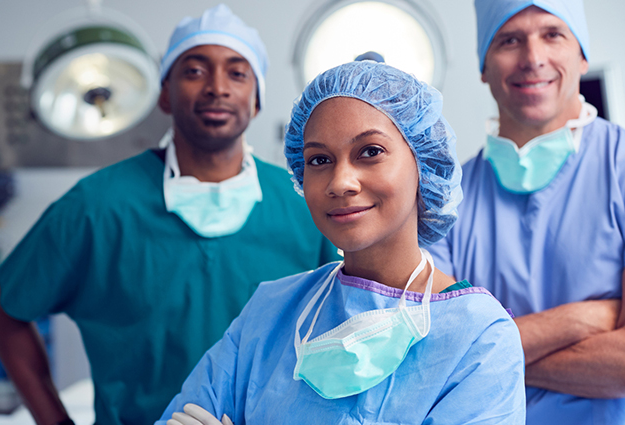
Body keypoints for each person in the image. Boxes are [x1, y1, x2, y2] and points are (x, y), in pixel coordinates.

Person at [0, 5, 338, 425]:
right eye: (194, 71)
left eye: (237, 73)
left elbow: (337, 328)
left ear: (257, 99)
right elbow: (4, 308)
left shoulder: (303, 202)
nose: (217, 88)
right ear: (165, 93)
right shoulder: (97, 206)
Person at [158, 60, 526, 425]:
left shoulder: (479, 338)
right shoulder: (270, 312)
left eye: (370, 152)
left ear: (423, 160)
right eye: (319, 159)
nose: (340, 182)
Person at [427, 0, 625, 423]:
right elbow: (432, 354)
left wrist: (480, 354)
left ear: (582, 54)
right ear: (484, 66)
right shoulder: (444, 202)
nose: (533, 58)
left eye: (553, 34)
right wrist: (580, 320)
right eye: (509, 40)